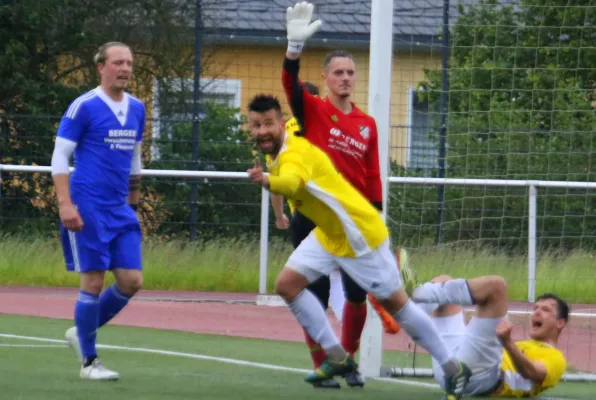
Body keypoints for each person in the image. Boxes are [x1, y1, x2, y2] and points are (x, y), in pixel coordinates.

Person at [245, 93, 472, 400]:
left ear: (281, 123)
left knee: (399, 307)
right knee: (287, 285)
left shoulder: (293, 152)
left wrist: (267, 181)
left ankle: (453, 367)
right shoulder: (279, 149)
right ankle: (337, 357)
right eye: (255, 125)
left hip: (358, 235)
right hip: (330, 234)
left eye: (268, 124)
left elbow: (292, 182)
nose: (261, 131)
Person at [280, 2, 400, 387]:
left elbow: (372, 174)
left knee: (356, 294)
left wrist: (377, 213)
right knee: (309, 292)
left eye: (350, 72)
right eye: (338, 72)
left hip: (353, 218)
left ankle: (348, 360)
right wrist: (293, 50)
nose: (345, 77)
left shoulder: (366, 123)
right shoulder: (311, 111)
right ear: (325, 78)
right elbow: (289, 84)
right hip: (312, 215)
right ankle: (325, 363)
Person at [50, 41, 145, 381]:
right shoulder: (84, 107)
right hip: (87, 206)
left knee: (132, 281)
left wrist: (133, 207)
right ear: (101, 66)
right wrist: (65, 204)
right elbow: (60, 158)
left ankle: (81, 330)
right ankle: (89, 363)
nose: (125, 69)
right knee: (93, 281)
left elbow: (135, 160)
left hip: (120, 210)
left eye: (130, 64)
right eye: (118, 62)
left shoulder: (137, 108)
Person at [411, 274, 568, 397]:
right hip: (448, 371)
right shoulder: (523, 344)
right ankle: (406, 309)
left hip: (481, 380)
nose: (536, 313)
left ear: (560, 323)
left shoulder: (556, 358)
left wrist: (507, 343)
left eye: (546, 310)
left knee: (497, 287)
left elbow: (532, 373)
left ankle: (407, 307)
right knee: (444, 281)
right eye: (535, 308)